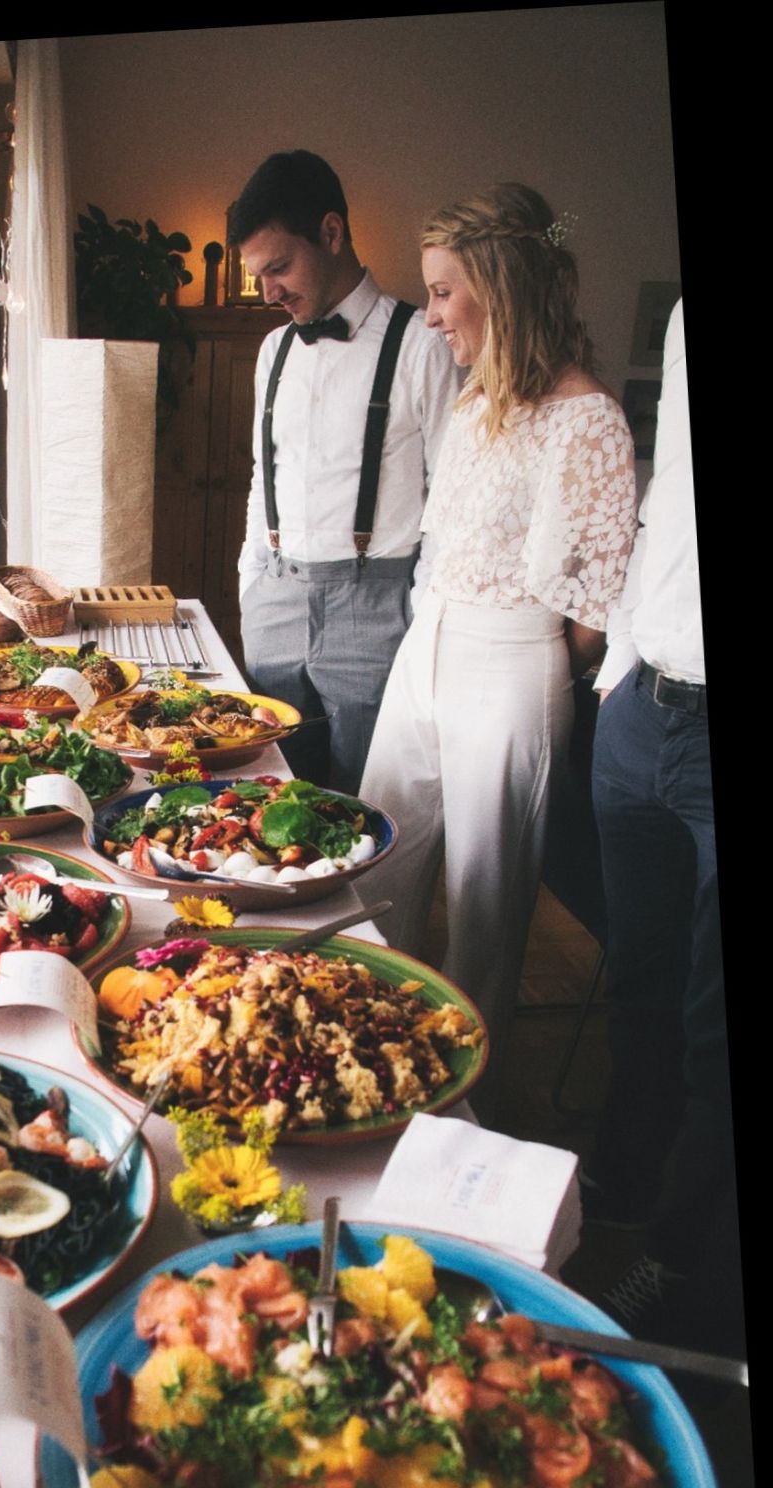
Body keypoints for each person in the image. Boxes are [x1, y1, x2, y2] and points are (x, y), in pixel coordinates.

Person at [357, 183, 638, 1116]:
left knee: (485, 905)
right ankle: (362, 1055)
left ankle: (458, 1106)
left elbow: (597, 599)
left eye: (443, 293)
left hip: (514, 663)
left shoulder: (590, 418)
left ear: (501, 286)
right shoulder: (478, 399)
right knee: (380, 857)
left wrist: (526, 664)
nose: (430, 314)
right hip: (427, 641)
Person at [582, 301, 742, 1354]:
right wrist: (612, 678)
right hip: (641, 706)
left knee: (709, 1030)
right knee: (631, 978)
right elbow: (663, 501)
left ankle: (682, 1269)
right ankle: (610, 1201)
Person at [232, 151, 460, 791]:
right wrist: (253, 583)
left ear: (331, 233)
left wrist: (414, 613)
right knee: (272, 793)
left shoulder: (421, 343)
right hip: (274, 600)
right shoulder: (272, 349)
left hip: (376, 603)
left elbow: (449, 497)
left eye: (278, 267)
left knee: (370, 802)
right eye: (259, 276)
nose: (269, 292)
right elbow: (263, 474)